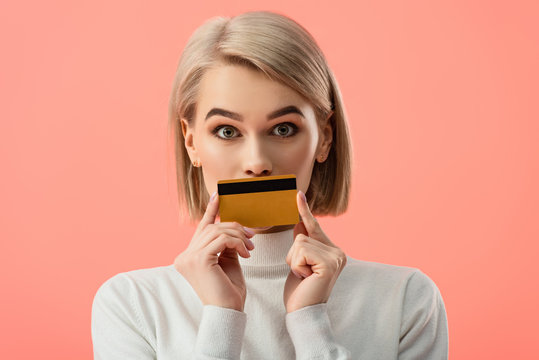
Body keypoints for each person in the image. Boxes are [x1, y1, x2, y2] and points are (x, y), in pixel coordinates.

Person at [91, 10, 448, 359]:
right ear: (191, 142)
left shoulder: (406, 300)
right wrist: (221, 317)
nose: (257, 162)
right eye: (227, 131)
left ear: (325, 137)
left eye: (283, 129)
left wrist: (310, 324)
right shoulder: (131, 305)